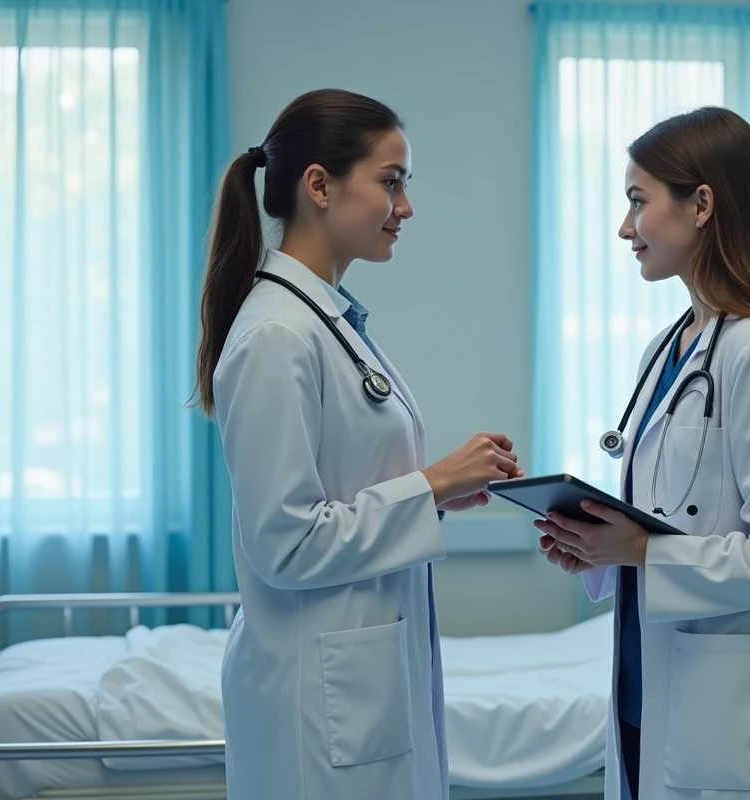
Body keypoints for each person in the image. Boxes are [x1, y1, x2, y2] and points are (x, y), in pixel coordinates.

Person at [192, 88, 522, 800]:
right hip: (315, 704)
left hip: (353, 682)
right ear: (319, 186)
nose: (406, 207)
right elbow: (286, 544)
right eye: (391, 182)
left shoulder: (323, 322)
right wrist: (432, 483)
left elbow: (343, 492)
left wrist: (437, 498)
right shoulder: (277, 336)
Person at [535, 107, 750, 800]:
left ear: (701, 205)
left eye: (638, 201)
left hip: (729, 722)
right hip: (648, 693)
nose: (625, 227)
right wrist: (598, 547)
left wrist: (642, 550)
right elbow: (669, 522)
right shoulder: (668, 348)